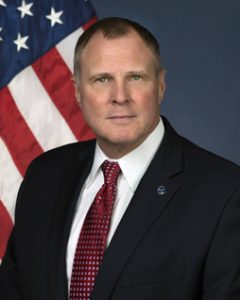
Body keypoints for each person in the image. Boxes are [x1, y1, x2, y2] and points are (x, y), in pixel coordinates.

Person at [0, 17, 240, 300]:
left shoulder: (225, 193)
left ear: (160, 85)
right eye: (102, 79)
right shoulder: (44, 176)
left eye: (135, 77)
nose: (120, 96)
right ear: (77, 91)